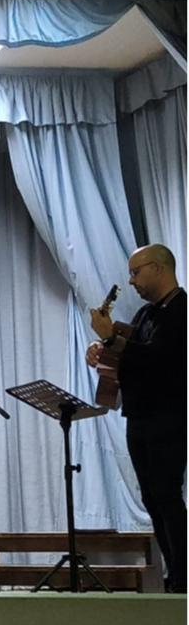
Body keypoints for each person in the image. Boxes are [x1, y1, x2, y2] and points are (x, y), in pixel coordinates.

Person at [87, 243, 186, 593]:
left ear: (158, 268)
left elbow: (156, 359)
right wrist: (102, 347)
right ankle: (175, 573)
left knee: (166, 495)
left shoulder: (182, 310)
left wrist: (110, 336)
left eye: (135, 272)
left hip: (169, 417)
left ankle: (183, 577)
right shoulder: (146, 313)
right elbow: (132, 349)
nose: (131, 281)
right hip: (139, 416)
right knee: (151, 498)